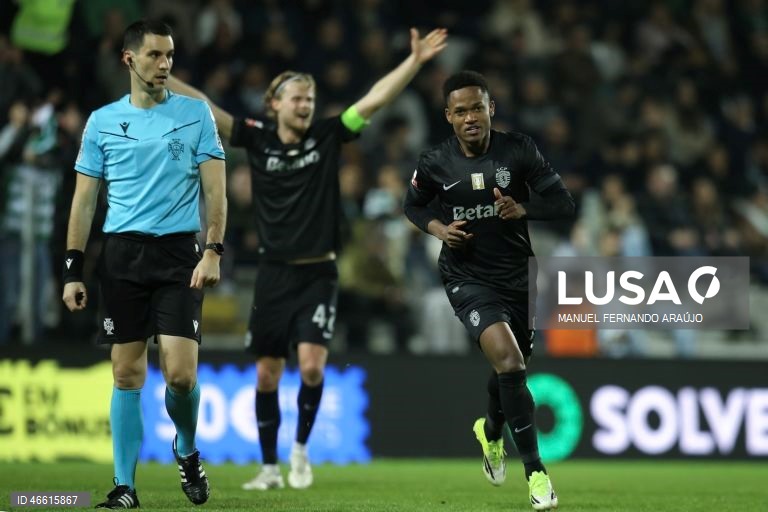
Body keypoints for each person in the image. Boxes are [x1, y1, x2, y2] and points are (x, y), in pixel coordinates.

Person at [169, 27, 447, 490]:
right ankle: (269, 468)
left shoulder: (327, 136)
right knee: (266, 374)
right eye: (297, 98)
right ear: (273, 104)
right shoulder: (255, 137)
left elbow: (373, 101)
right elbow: (205, 107)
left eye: (310, 98)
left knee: (314, 365)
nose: (306, 105)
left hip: (319, 270)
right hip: (273, 273)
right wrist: (163, 80)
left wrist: (413, 62)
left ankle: (299, 451)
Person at [61, 19, 227, 509]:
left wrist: (214, 250)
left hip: (179, 254)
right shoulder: (102, 122)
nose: (166, 64)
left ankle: (186, 447)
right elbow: (84, 203)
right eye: (155, 55)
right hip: (122, 257)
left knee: (180, 376)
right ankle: (124, 487)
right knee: (126, 373)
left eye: (170, 55)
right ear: (129, 60)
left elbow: (216, 193)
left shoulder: (197, 115)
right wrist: (72, 269)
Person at [403, 70, 575, 511]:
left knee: (510, 374)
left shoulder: (519, 150)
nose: (470, 117)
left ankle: (491, 431)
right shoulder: (434, 161)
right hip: (467, 277)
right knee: (511, 361)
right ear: (448, 117)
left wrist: (524, 208)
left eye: (477, 107)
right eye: (460, 111)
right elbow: (413, 205)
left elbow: (563, 203)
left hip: (518, 277)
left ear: (490, 108)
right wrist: (440, 229)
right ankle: (537, 473)